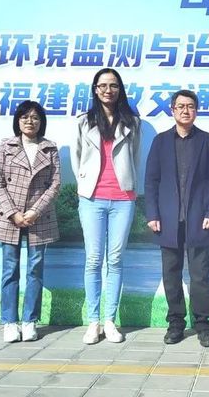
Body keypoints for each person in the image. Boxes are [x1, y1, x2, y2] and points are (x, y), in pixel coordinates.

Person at [144, 89, 209, 348]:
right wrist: (152, 214)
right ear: (172, 110)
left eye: (190, 106)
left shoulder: (206, 141)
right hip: (167, 219)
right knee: (171, 275)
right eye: (180, 106)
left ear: (196, 110)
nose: (185, 111)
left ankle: (203, 325)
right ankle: (176, 323)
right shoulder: (161, 141)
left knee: (200, 276)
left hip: (199, 218)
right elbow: (151, 180)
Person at [72, 67, 140, 345]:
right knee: (93, 259)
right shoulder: (83, 121)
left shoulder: (132, 122)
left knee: (115, 259)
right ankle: (93, 322)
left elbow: (135, 156)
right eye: (102, 86)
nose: (108, 90)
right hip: (92, 198)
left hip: (123, 198)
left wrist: (130, 185)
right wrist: (84, 184)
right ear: (95, 89)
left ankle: (110, 321)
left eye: (113, 85)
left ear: (120, 89)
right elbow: (77, 156)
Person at [0, 100, 60, 343]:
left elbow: (55, 184)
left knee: (35, 270)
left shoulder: (50, 148)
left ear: (42, 122)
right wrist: (13, 213)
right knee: (10, 270)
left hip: (39, 217)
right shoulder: (5, 145)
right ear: (17, 120)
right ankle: (10, 322)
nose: (30, 121)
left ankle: (30, 321)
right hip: (10, 217)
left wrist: (35, 211)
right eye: (25, 117)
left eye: (35, 117)